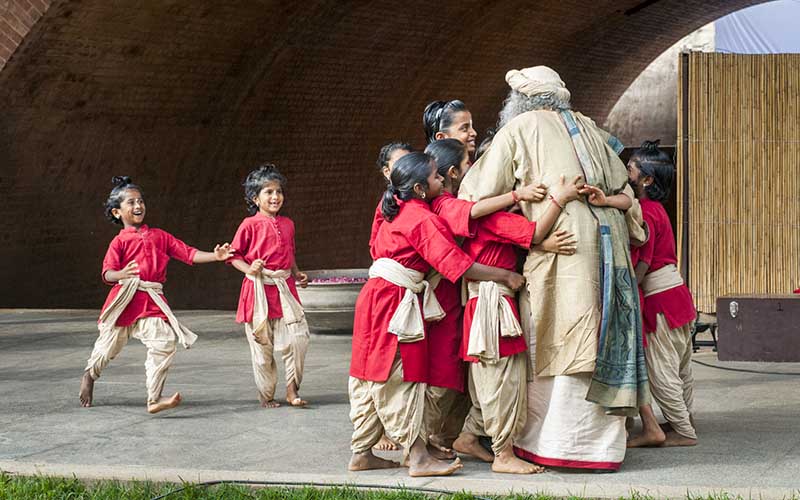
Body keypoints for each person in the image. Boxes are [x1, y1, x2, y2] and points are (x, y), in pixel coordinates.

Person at [459, 66, 649, 471]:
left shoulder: (519, 128)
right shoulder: (592, 130)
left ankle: (553, 444)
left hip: (562, 253)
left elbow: (473, 196)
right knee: (596, 339)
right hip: (609, 251)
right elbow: (627, 195)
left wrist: (522, 211)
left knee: (559, 340)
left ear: (521, 101)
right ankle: (601, 450)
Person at [348, 152, 525, 477]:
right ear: (418, 188)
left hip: (374, 298)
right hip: (395, 302)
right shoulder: (421, 218)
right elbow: (457, 264)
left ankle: (361, 452)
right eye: (436, 177)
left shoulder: (392, 209)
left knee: (368, 372)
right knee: (396, 375)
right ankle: (417, 458)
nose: (443, 180)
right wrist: (505, 276)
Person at [455, 173, 581, 474]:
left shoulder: (484, 216)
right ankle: (503, 454)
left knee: (493, 380)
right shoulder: (494, 218)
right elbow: (535, 233)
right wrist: (559, 199)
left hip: (487, 304)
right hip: (492, 306)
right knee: (502, 381)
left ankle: (468, 436)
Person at [79, 176, 234, 413]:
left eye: (140, 201)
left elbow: (188, 254)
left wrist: (216, 256)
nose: (138, 206)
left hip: (150, 302)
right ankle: (89, 375)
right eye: (130, 202)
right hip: (123, 302)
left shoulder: (160, 236)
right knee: (107, 348)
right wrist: (121, 273)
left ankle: (154, 398)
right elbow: (107, 273)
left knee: (164, 342)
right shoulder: (118, 242)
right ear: (117, 212)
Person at [624, 140, 698, 448]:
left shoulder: (645, 212)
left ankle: (683, 431)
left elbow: (643, 260)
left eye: (631, 167)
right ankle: (683, 418)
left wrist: (628, 287)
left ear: (646, 179)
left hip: (659, 299)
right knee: (681, 366)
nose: (626, 170)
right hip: (677, 293)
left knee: (661, 370)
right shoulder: (658, 210)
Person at [229, 165, 311, 409]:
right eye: (269, 192)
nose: (275, 197)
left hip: (285, 289)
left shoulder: (288, 223)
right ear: (255, 198)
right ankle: (266, 395)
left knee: (297, 339)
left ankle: (291, 389)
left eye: (279, 192)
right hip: (258, 292)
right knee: (262, 349)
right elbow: (234, 256)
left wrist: (297, 273)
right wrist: (249, 269)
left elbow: (290, 252)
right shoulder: (249, 224)